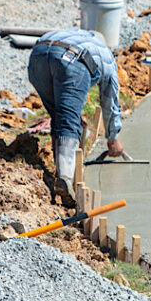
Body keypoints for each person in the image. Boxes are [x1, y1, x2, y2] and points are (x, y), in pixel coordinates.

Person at [27, 28, 125, 206]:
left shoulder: (76, 35)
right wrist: (113, 138)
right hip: (72, 59)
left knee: (60, 116)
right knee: (68, 122)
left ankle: (61, 171)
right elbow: (110, 100)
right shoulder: (105, 54)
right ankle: (65, 178)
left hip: (38, 56)